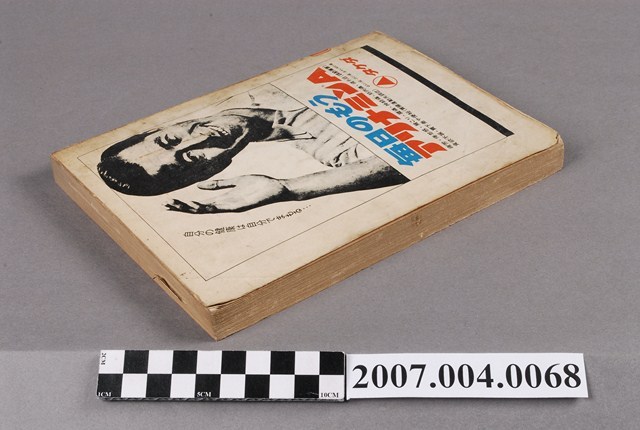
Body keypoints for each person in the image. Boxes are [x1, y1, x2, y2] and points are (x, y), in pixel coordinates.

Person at [97, 105, 407, 214]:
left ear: (155, 129)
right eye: (192, 157)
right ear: (212, 171)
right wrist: (290, 188)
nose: (200, 139)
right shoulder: (338, 151)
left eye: (170, 140)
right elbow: (401, 162)